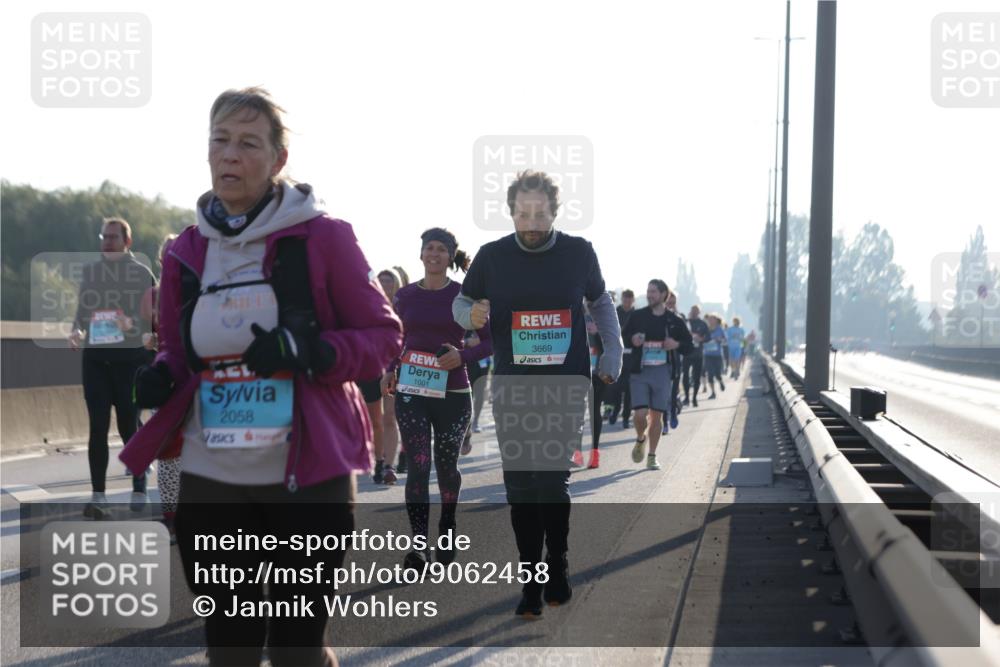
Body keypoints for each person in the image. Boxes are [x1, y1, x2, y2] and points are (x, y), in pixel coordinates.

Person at [121, 87, 402, 667]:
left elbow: (383, 337)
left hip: (308, 471)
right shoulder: (185, 252)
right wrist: (161, 374)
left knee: (295, 651)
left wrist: (311, 350)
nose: (230, 155)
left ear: (277, 160)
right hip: (210, 472)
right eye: (219, 140)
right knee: (230, 649)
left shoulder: (324, 236)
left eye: (248, 143)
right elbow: (178, 349)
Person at [454, 170, 622, 617]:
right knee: (520, 486)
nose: (531, 222)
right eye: (522, 213)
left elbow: (601, 304)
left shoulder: (578, 252)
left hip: (565, 384)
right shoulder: (491, 257)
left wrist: (613, 352)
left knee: (550, 479)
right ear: (511, 211)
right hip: (512, 385)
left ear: (554, 211)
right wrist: (472, 315)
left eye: (540, 213)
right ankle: (530, 579)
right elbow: (462, 303)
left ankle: (557, 562)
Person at [381, 228, 491, 569]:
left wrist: (462, 356)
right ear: (421, 254)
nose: (434, 253)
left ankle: (447, 526)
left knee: (446, 467)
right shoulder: (405, 296)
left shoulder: (464, 297)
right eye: (429, 247)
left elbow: (491, 341)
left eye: (441, 249)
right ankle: (417, 547)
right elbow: (396, 337)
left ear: (450, 256)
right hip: (412, 391)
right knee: (418, 466)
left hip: (453, 393)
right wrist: (389, 368)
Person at [68, 216, 156, 519]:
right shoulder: (92, 272)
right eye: (103, 237)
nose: (107, 242)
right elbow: (82, 312)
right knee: (97, 426)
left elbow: (153, 318)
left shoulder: (141, 273)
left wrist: (133, 322)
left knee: (128, 426)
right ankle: (99, 497)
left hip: (129, 360)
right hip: (95, 359)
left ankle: (139, 483)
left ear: (127, 242)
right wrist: (76, 331)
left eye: (113, 237)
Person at [621, 280, 693, 470]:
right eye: (648, 291)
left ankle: (652, 456)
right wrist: (632, 339)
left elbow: (689, 345)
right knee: (640, 414)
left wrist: (675, 344)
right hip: (640, 370)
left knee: (656, 417)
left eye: (653, 291)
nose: (649, 294)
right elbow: (623, 337)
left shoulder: (674, 321)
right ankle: (640, 438)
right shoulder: (637, 316)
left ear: (663, 295)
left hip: (662, 372)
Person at [376, 268, 407, 482]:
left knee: (389, 416)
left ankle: (388, 465)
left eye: (388, 281)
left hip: (393, 367)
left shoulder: (401, 308)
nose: (385, 284)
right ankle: (378, 460)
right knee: (372, 420)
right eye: (381, 280)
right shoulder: (367, 306)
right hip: (369, 368)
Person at [462, 328, 491, 455]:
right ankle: (466, 428)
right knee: (469, 395)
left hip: (484, 363)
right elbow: (454, 339)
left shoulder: (485, 318)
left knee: (480, 395)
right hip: (468, 363)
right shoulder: (462, 316)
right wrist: (468, 342)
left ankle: (476, 422)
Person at [608, 288, 635, 427]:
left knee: (629, 388)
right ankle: (615, 410)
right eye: (625, 299)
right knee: (615, 387)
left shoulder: (636, 315)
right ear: (622, 299)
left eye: (629, 300)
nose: (627, 302)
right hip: (616, 355)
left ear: (633, 300)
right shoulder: (615, 312)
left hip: (631, 357)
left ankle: (625, 416)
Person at [682, 304, 709, 407]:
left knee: (696, 377)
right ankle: (687, 398)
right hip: (687, 353)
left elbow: (708, 336)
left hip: (698, 354)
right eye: (692, 310)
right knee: (685, 375)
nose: (694, 312)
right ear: (690, 311)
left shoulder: (702, 323)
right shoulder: (686, 323)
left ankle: (694, 398)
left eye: (696, 311)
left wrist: (701, 339)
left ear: (699, 312)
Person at [665, 290, 684, 432]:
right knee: (663, 392)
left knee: (672, 390)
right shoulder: (657, 317)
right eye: (668, 303)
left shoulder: (680, 318)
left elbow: (686, 340)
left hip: (676, 359)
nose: (671, 305)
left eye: (673, 303)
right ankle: (663, 420)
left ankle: (673, 412)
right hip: (660, 361)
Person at [703, 313, 727, 398]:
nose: (710, 321)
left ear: (716, 320)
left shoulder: (720, 329)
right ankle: (713, 392)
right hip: (707, 354)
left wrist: (719, 339)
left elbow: (725, 340)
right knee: (710, 374)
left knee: (717, 373)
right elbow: (701, 338)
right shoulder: (705, 329)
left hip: (717, 355)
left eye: (712, 319)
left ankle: (720, 381)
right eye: (709, 320)